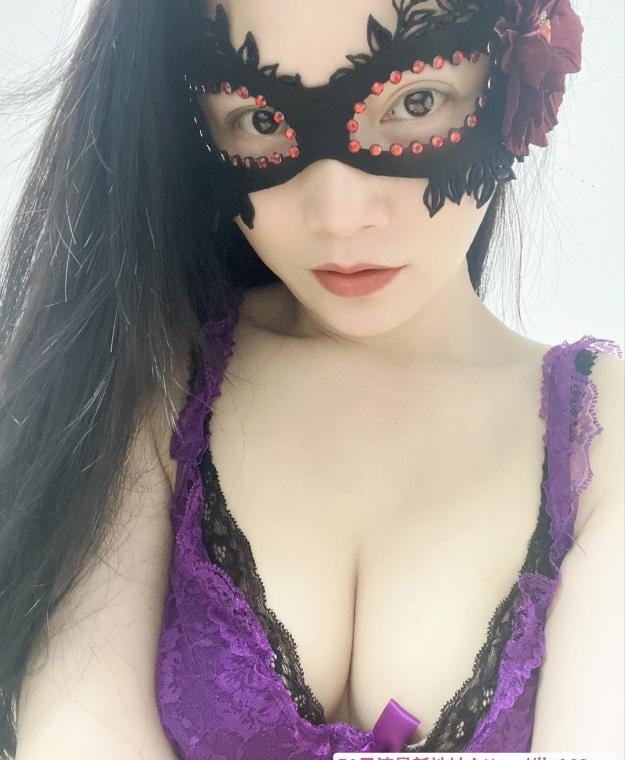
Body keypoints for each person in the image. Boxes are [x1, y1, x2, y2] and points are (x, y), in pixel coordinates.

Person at [0, 1, 622, 758]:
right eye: (260, 119)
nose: (338, 215)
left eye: (415, 102)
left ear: (519, 83)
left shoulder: (605, 438)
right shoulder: (153, 382)